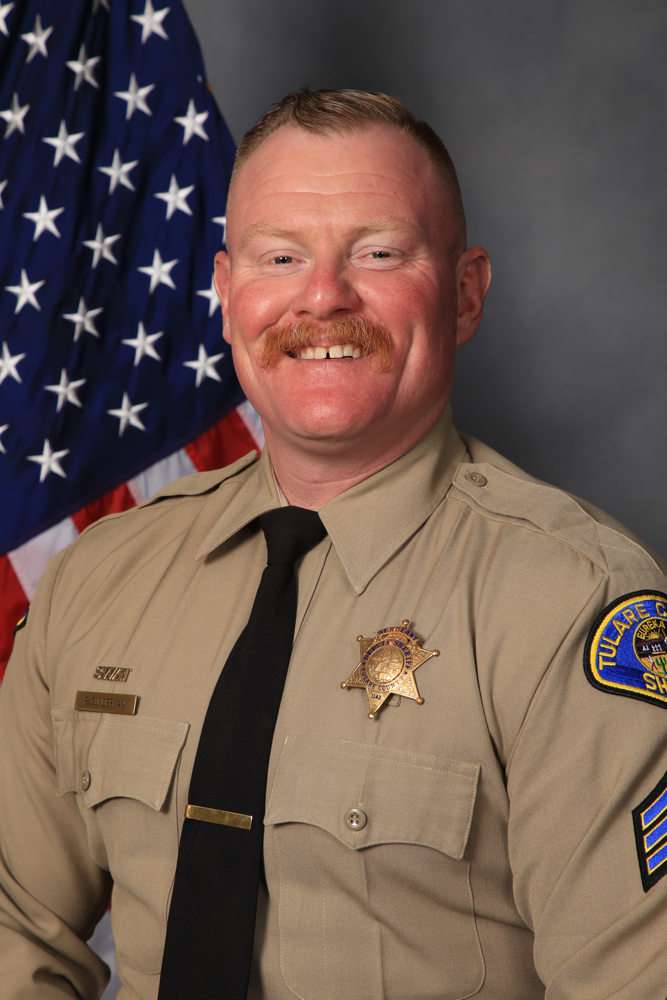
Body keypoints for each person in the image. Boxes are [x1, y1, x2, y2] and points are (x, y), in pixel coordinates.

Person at [1, 87, 666, 1000]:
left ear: (465, 292)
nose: (322, 296)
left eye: (378, 252)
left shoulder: (569, 605)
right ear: (227, 295)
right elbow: (12, 924)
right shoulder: (99, 581)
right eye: (281, 257)